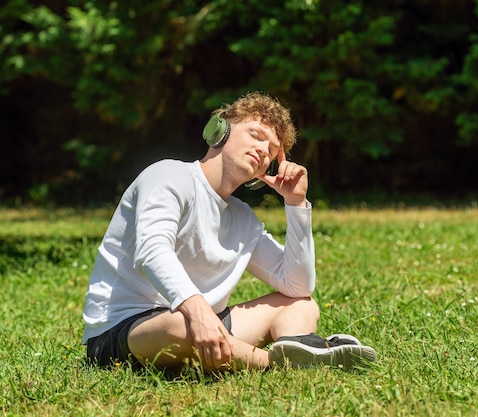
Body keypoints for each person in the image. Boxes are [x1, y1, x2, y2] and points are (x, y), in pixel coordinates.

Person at [81, 92, 376, 372]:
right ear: (219, 132)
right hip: (124, 331)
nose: (263, 150)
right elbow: (152, 252)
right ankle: (284, 363)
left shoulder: (242, 218)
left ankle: (297, 347)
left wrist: (296, 204)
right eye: (256, 136)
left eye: (272, 150)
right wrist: (199, 315)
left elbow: (297, 286)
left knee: (302, 305)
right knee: (179, 328)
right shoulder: (168, 175)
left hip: (206, 323)